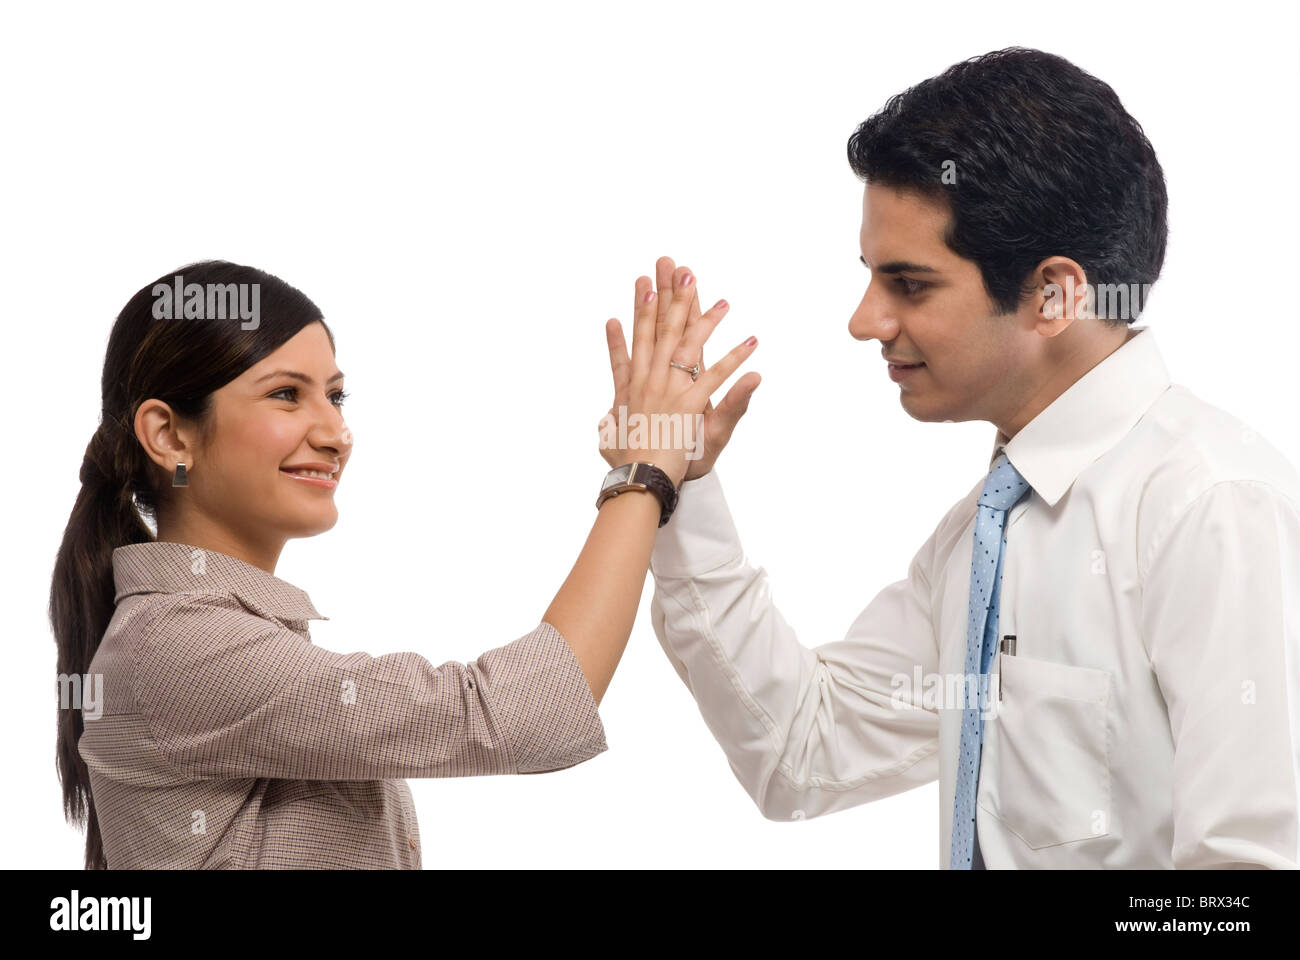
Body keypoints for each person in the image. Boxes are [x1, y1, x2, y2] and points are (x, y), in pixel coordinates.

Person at [628, 47, 1300, 868]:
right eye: (871, 277)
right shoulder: (986, 536)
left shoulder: (1212, 509)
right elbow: (801, 752)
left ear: (1054, 294)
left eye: (909, 284)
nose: (864, 321)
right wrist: (676, 481)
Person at [51, 257, 757, 869]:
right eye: (286, 394)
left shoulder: (203, 637)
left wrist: (661, 476)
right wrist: (643, 475)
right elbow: (513, 715)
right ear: (169, 435)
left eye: (336, 395)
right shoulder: (179, 646)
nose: (335, 433)